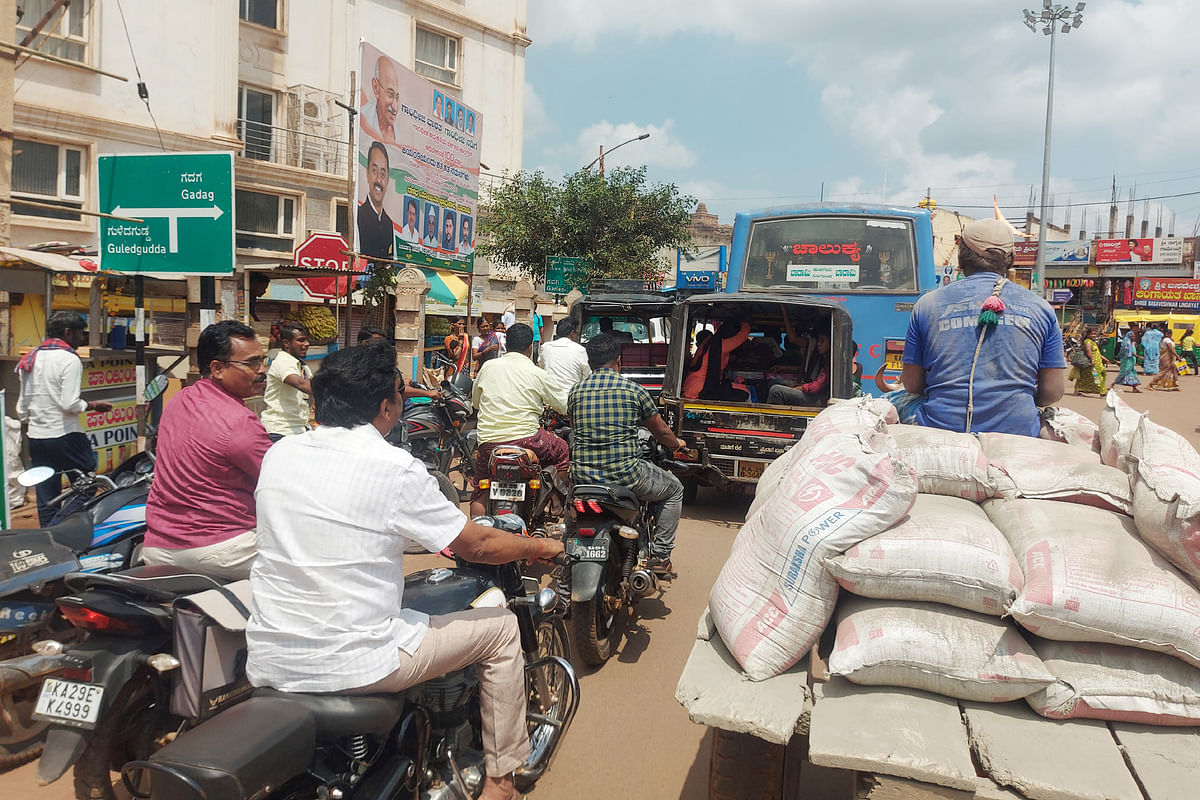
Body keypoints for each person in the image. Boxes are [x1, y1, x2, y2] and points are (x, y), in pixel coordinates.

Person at [246, 341, 563, 800]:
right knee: (501, 628)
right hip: (359, 660)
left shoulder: (279, 454)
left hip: (271, 657)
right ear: (386, 407)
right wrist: (540, 545)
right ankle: (501, 782)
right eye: (400, 392)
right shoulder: (395, 467)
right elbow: (478, 544)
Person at [896, 218, 1065, 436]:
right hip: (1019, 431)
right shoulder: (1042, 309)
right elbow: (1052, 392)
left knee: (894, 400)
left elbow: (912, 385)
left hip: (940, 428)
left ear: (961, 257)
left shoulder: (927, 304)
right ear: (1011, 259)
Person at [142, 321, 272, 579]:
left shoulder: (179, 400)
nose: (262, 370)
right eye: (252, 363)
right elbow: (281, 481)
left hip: (157, 545)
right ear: (218, 368)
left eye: (263, 361)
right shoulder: (239, 422)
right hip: (220, 549)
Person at [570, 333, 686, 578]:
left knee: (570, 524)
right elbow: (660, 430)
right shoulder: (634, 390)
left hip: (582, 479)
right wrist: (676, 444)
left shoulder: (576, 392)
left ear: (590, 363)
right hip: (626, 477)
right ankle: (660, 557)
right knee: (674, 489)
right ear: (619, 361)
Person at [16, 311, 113, 525]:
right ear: (68, 333)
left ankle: (47, 538)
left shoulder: (31, 358)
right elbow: (69, 403)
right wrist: (93, 405)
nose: (82, 339)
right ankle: (57, 528)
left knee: (46, 494)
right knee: (87, 488)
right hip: (65, 436)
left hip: (36, 437)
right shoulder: (69, 359)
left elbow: (21, 409)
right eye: (80, 334)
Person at [470, 324, 568, 516]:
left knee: (480, 489)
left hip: (488, 444)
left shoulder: (488, 367)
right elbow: (563, 406)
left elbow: (476, 403)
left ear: (506, 344)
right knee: (562, 449)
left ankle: (478, 530)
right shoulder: (538, 373)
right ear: (530, 347)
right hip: (528, 441)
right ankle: (554, 500)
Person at [261, 322, 313, 441]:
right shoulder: (283, 362)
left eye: (307, 340)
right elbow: (301, 384)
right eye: (301, 340)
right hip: (280, 431)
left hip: (299, 429)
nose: (306, 344)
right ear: (286, 343)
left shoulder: (302, 366)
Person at [682, 319, 752, 400]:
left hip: (690, 386)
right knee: (745, 391)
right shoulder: (721, 345)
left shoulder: (708, 342)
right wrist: (745, 323)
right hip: (702, 387)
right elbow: (741, 337)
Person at [765, 333, 831, 406]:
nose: (818, 344)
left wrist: (798, 388)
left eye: (822, 341)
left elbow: (815, 387)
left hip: (818, 399)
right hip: (813, 393)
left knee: (776, 391)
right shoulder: (822, 359)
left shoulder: (830, 363)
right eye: (818, 341)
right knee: (773, 383)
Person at [538, 316, 591, 403]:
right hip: (571, 399)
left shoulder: (546, 347)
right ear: (572, 333)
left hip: (549, 399)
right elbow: (586, 376)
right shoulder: (580, 350)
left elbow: (541, 368)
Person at [357, 142, 395, 260]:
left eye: (383, 174)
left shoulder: (389, 223)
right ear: (367, 173)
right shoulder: (358, 215)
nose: (379, 179)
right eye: (374, 171)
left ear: (387, 180)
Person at [361, 55, 400, 144]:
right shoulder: (363, 121)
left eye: (397, 98)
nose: (395, 107)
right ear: (376, 88)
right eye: (390, 94)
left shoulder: (397, 136)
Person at [1070, 327, 1109, 397]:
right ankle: (1101, 391)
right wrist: (1092, 360)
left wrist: (1104, 359)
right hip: (1092, 364)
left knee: (1097, 376)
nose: (1094, 335)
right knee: (1097, 377)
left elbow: (1097, 352)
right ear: (1088, 335)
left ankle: (1079, 389)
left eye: (1095, 334)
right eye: (1092, 334)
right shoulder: (1087, 342)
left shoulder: (1092, 342)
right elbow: (1088, 351)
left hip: (1097, 364)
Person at [1113, 325, 1142, 393]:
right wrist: (1138, 356)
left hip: (1131, 360)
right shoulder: (1126, 343)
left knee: (1132, 373)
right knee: (1124, 372)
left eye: (1134, 336)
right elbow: (1129, 352)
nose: (1133, 338)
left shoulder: (1131, 343)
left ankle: (1134, 387)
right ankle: (1113, 384)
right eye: (1132, 336)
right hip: (1127, 360)